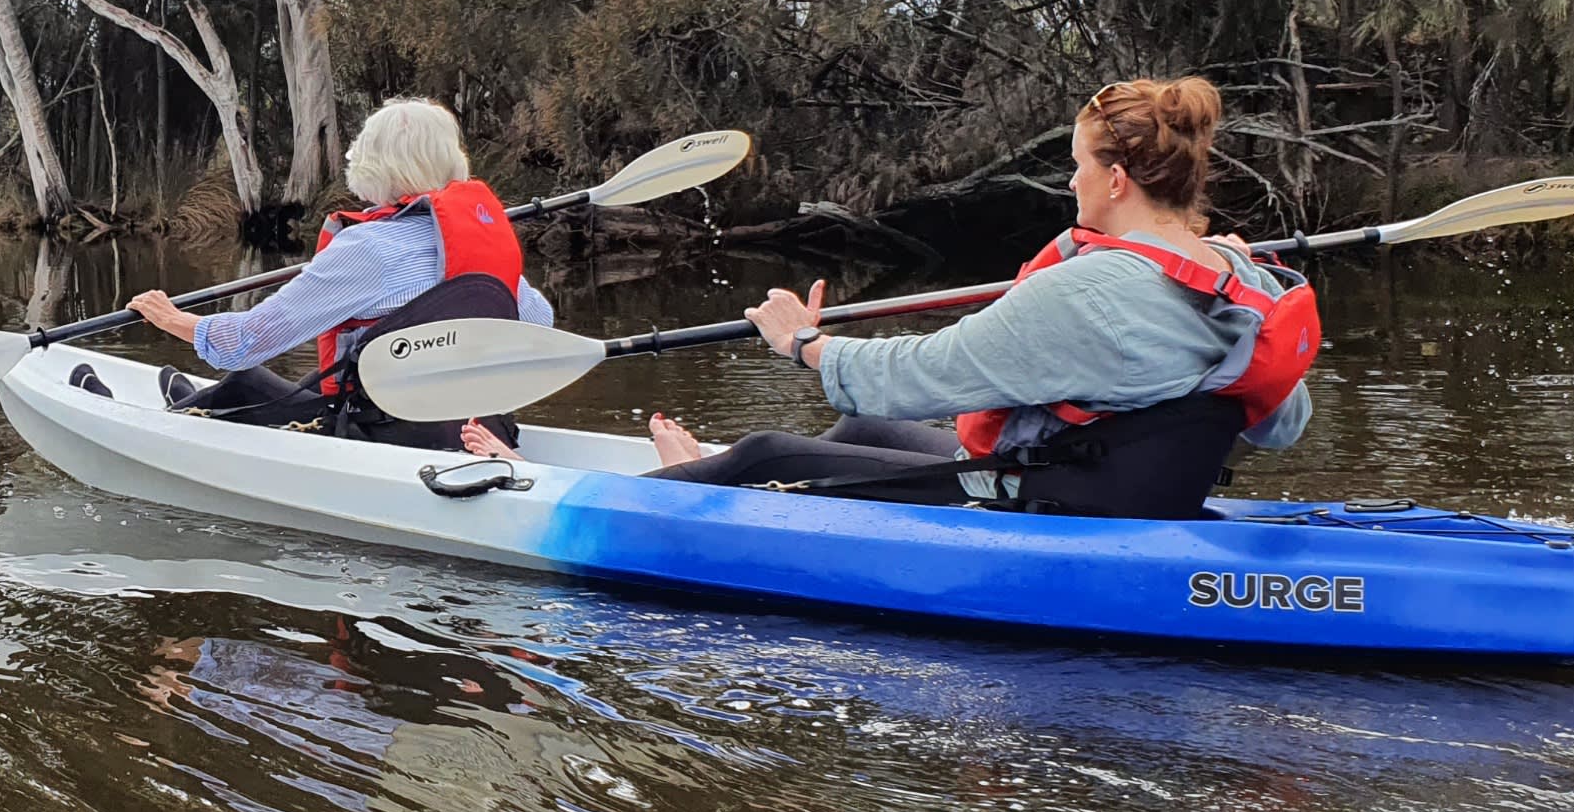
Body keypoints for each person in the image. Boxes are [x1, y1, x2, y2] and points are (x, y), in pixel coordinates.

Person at [462, 77, 1318, 519]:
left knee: (764, 450)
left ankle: (633, 490)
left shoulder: (1092, 291)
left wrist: (803, 344)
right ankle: (720, 487)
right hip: (1127, 488)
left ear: (1118, 179)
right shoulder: (1239, 279)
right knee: (861, 431)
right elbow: (1281, 424)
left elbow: (923, 373)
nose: (1071, 181)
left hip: (1061, 505)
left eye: (1079, 166)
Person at [121, 97, 554, 449]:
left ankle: (177, 416)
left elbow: (242, 344)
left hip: (381, 439)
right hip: (480, 432)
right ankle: (191, 402)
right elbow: (540, 322)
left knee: (245, 379)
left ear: (371, 165)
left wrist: (171, 318)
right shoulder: (481, 252)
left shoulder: (367, 249)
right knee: (286, 385)